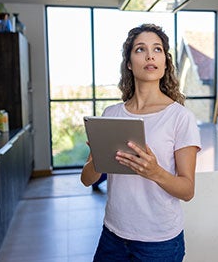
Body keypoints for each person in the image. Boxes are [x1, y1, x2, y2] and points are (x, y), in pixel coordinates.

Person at [81, 23, 201, 262]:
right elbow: (87, 180)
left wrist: (155, 172)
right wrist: (98, 157)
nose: (149, 55)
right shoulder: (111, 114)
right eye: (140, 49)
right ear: (128, 63)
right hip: (113, 235)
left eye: (157, 49)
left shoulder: (180, 117)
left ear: (165, 62)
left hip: (159, 243)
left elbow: (187, 191)